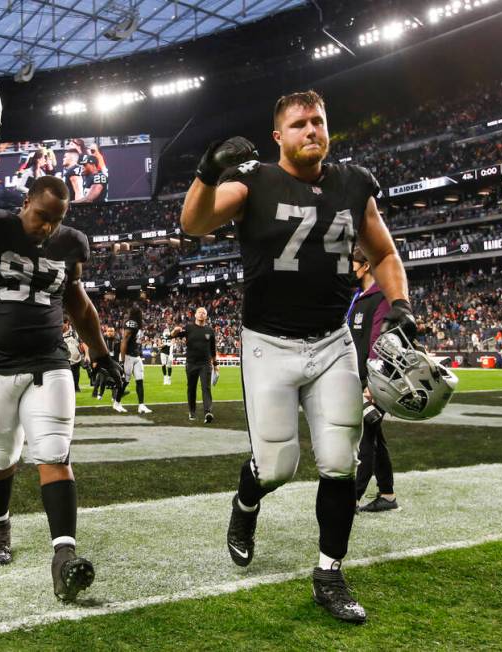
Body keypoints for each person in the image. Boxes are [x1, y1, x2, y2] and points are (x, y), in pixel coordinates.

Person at [179, 90, 417, 624]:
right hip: (269, 343)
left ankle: (329, 572)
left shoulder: (354, 184)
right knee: (277, 466)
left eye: (318, 121)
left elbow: (382, 252)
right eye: (299, 123)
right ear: (278, 137)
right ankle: (246, 505)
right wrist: (204, 173)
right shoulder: (254, 179)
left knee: (339, 461)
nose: (311, 130)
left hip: (332, 341)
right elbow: (193, 224)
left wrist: (399, 303)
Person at [0, 161, 123, 601]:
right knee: (2, 454)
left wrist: (100, 352)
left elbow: (78, 304)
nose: (48, 227)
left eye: (57, 219)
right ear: (25, 205)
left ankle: (64, 557)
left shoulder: (70, 244)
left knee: (54, 451)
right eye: (42, 216)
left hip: (49, 361)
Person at [348, 247, 397, 513]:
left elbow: (377, 343)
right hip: (358, 378)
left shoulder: (381, 299)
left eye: (352, 263)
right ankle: (387, 495)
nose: (348, 268)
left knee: (365, 439)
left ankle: (352, 498)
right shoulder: (358, 297)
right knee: (375, 436)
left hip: (372, 381)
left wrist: (371, 383)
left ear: (365, 266)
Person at [171, 307, 218, 423]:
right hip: (191, 363)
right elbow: (173, 336)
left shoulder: (210, 330)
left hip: (205, 364)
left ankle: (208, 412)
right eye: (200, 312)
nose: (202, 314)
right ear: (195, 315)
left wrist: (216, 365)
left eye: (204, 313)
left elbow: (213, 350)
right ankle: (192, 412)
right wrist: (174, 331)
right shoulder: (189, 328)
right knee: (191, 389)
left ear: (206, 316)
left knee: (206, 388)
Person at [114, 306, 151, 414]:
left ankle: (141, 405)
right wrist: (122, 359)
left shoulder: (135, 323)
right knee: (125, 382)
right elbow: (124, 341)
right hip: (128, 356)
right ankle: (117, 403)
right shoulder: (131, 323)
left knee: (140, 380)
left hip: (136, 355)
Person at [92, 325, 119, 400]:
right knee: (102, 378)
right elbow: (96, 350)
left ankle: (114, 396)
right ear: (106, 332)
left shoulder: (118, 340)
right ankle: (99, 394)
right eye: (109, 331)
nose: (110, 333)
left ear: (114, 332)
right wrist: (95, 360)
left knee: (115, 378)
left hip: (114, 362)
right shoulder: (102, 340)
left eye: (112, 331)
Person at [63, 318, 84, 392]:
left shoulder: (74, 332)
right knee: (67, 374)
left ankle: (76, 387)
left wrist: (83, 354)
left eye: (62, 323)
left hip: (76, 357)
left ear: (67, 323)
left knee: (76, 374)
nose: (60, 326)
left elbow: (81, 343)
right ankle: (68, 388)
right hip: (65, 358)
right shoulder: (58, 334)